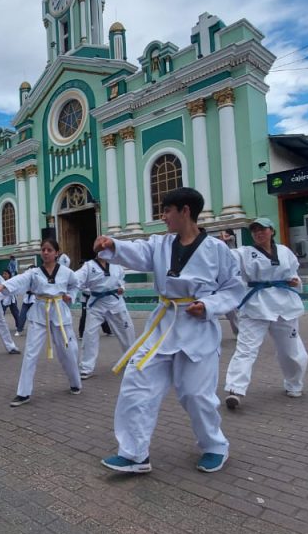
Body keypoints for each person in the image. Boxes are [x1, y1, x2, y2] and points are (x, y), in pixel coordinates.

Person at [95, 187, 243, 475]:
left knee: (195, 395)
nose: (163, 217)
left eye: (167, 211)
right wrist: (112, 243)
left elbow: (233, 288)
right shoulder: (160, 245)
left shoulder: (217, 250)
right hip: (163, 326)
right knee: (137, 382)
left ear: (185, 211)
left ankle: (214, 446)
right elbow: (136, 251)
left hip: (197, 327)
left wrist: (209, 305)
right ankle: (134, 454)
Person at [223, 218, 308, 409]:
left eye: (262, 229)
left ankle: (294, 384)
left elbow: (294, 273)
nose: (258, 233)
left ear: (272, 231)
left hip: (285, 305)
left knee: (291, 351)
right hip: (256, 305)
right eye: (254, 230)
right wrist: (225, 242)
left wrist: (295, 280)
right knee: (245, 349)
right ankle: (235, 390)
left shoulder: (285, 251)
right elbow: (223, 257)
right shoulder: (243, 252)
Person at [0, 239, 81, 406]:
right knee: (30, 353)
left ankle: (75, 382)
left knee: (67, 352)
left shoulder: (67, 272)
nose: (45, 253)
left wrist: (71, 296)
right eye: (43, 250)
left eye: (49, 250)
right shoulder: (34, 273)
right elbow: (20, 280)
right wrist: (3, 286)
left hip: (60, 312)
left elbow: (75, 286)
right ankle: (23, 393)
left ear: (56, 252)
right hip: (39, 312)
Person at [72, 254, 134, 379]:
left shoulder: (116, 264)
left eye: (105, 249)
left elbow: (122, 278)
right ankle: (86, 367)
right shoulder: (89, 266)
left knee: (127, 331)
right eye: (100, 249)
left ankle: (131, 359)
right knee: (89, 334)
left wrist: (122, 287)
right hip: (97, 304)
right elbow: (75, 280)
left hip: (115, 301)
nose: (103, 252)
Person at [216, 229, 241, 334]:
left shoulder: (232, 238)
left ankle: (239, 331)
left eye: (226, 232)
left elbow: (224, 239)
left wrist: (222, 234)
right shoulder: (220, 252)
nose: (224, 234)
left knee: (232, 311)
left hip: (227, 286)